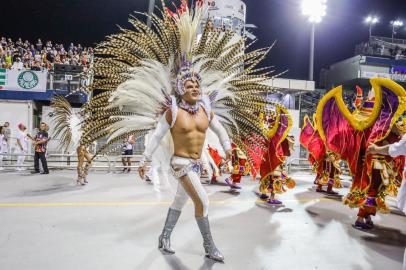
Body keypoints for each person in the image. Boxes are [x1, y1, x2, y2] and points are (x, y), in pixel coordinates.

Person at [367, 118, 406, 270]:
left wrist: (376, 149)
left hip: (382, 168)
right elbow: (395, 148)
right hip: (377, 169)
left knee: (375, 190)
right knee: (372, 191)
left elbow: (395, 149)